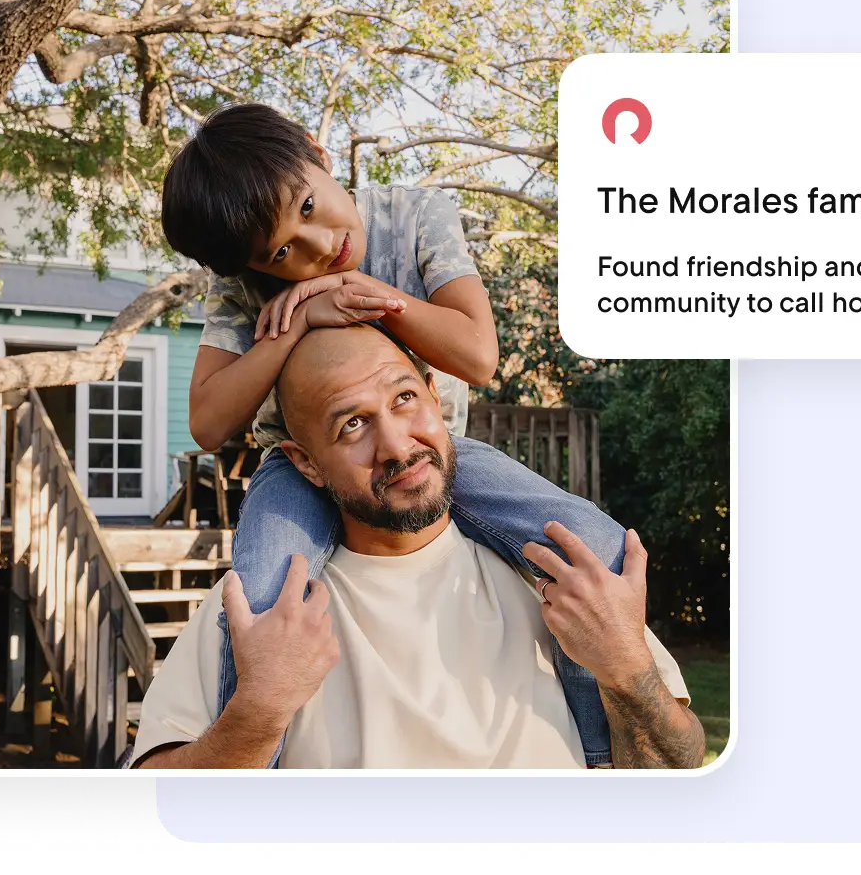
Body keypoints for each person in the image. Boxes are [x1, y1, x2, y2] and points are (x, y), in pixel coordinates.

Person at [160, 102, 632, 766]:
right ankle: (258, 776)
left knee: (596, 545)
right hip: (301, 466)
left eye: (307, 207)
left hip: (434, 454)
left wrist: (362, 293)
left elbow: (477, 357)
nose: (316, 247)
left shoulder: (415, 216)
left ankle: (599, 754)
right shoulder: (242, 286)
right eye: (281, 253)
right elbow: (208, 423)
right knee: (263, 599)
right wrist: (296, 323)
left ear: (317, 154)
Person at [133, 324, 705, 769]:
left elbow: (676, 775)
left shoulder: (561, 582)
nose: (396, 445)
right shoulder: (257, 612)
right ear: (306, 463)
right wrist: (259, 709)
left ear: (435, 396)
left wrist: (627, 668)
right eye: (351, 425)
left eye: (404, 398)